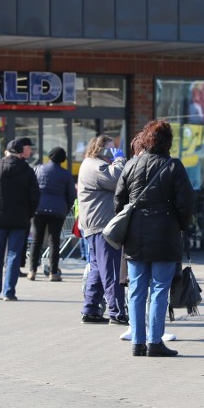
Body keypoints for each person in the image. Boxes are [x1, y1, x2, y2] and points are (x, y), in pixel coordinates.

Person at [115, 120, 194, 357]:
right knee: (160, 288)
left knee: (137, 289)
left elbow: (119, 200)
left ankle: (137, 342)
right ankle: (154, 341)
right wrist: (180, 225)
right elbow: (186, 203)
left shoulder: (131, 164)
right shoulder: (174, 166)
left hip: (135, 234)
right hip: (164, 232)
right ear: (168, 142)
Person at [0, 138, 40, 301]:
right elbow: (35, 197)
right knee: (13, 255)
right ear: (21, 153)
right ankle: (9, 292)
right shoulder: (28, 170)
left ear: (6, 152)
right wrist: (29, 214)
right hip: (20, 220)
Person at [77, 135, 128, 324]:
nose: (112, 153)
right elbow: (116, 179)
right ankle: (117, 313)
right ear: (100, 149)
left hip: (95, 225)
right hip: (102, 226)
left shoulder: (91, 164)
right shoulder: (95, 166)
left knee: (98, 270)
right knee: (112, 270)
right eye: (110, 149)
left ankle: (90, 309)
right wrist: (120, 159)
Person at [28, 146, 76, 282]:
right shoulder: (66, 174)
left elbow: (31, 189)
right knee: (54, 240)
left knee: (36, 240)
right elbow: (71, 196)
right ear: (62, 159)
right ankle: (53, 272)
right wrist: (65, 209)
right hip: (57, 210)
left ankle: (32, 271)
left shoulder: (37, 169)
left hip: (39, 209)